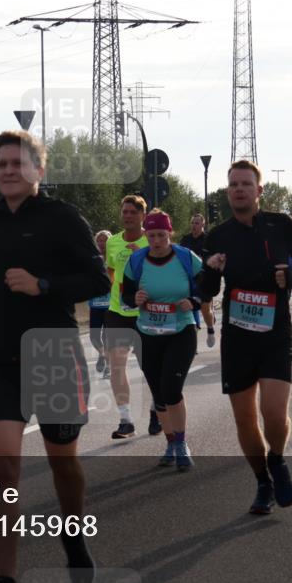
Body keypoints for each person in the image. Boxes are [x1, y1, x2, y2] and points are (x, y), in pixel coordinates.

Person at [0, 130, 109, 583]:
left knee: (63, 463)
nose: (7, 170)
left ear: (38, 171)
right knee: (2, 473)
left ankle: (73, 530)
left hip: (53, 354)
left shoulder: (64, 218)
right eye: (0, 164)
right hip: (0, 360)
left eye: (17, 163)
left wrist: (42, 284)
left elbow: (96, 281)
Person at [199, 160, 292, 515]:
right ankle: (263, 481)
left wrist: (291, 277)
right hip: (238, 336)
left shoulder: (282, 225)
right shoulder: (217, 236)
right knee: (245, 419)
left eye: (246, 183)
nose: (238, 189)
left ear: (259, 190)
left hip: (275, 332)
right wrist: (210, 270)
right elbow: (204, 289)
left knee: (274, 413)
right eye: (233, 184)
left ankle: (277, 459)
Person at [122, 210, 202, 470]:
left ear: (170, 234)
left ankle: (181, 442)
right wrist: (135, 299)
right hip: (147, 333)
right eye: (152, 235)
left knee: (171, 388)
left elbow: (206, 286)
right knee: (158, 393)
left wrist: (194, 301)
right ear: (145, 235)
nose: (156, 240)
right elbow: (126, 295)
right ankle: (170, 442)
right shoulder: (136, 260)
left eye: (162, 235)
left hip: (181, 329)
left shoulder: (186, 258)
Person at [104, 195, 159, 438]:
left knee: (151, 367)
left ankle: (156, 409)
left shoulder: (152, 240)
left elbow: (162, 272)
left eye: (132, 212)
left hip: (147, 312)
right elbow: (111, 271)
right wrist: (117, 290)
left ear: (142, 216)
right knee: (116, 365)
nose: (127, 216)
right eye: (124, 212)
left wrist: (143, 257)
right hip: (118, 312)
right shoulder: (113, 242)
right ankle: (125, 420)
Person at [178, 213, 217, 348]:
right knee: (186, 307)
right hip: (189, 279)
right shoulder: (185, 240)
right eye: (192, 223)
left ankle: (210, 330)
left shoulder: (208, 239)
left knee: (205, 309)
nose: (194, 226)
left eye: (197, 223)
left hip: (204, 278)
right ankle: (190, 339)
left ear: (202, 225)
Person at [89, 231, 112, 378]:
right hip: (95, 304)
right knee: (94, 335)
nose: (102, 243)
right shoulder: (92, 259)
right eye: (99, 241)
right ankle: (102, 354)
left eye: (105, 241)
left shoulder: (113, 259)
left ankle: (108, 367)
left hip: (110, 304)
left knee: (108, 336)